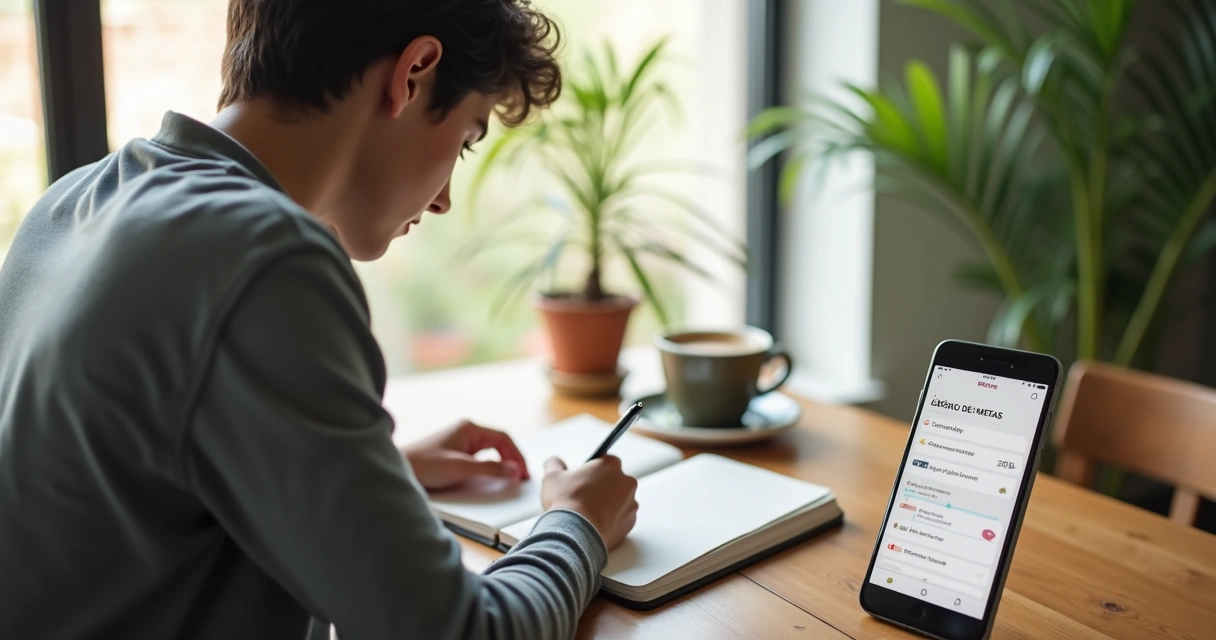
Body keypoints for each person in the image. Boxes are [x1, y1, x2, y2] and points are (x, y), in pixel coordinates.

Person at [0, 1, 640, 638]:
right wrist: (575, 523)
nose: (444, 198)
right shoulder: (264, 258)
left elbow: (130, 505)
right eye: (467, 139)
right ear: (413, 73)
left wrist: (373, 474)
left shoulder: (69, 203)